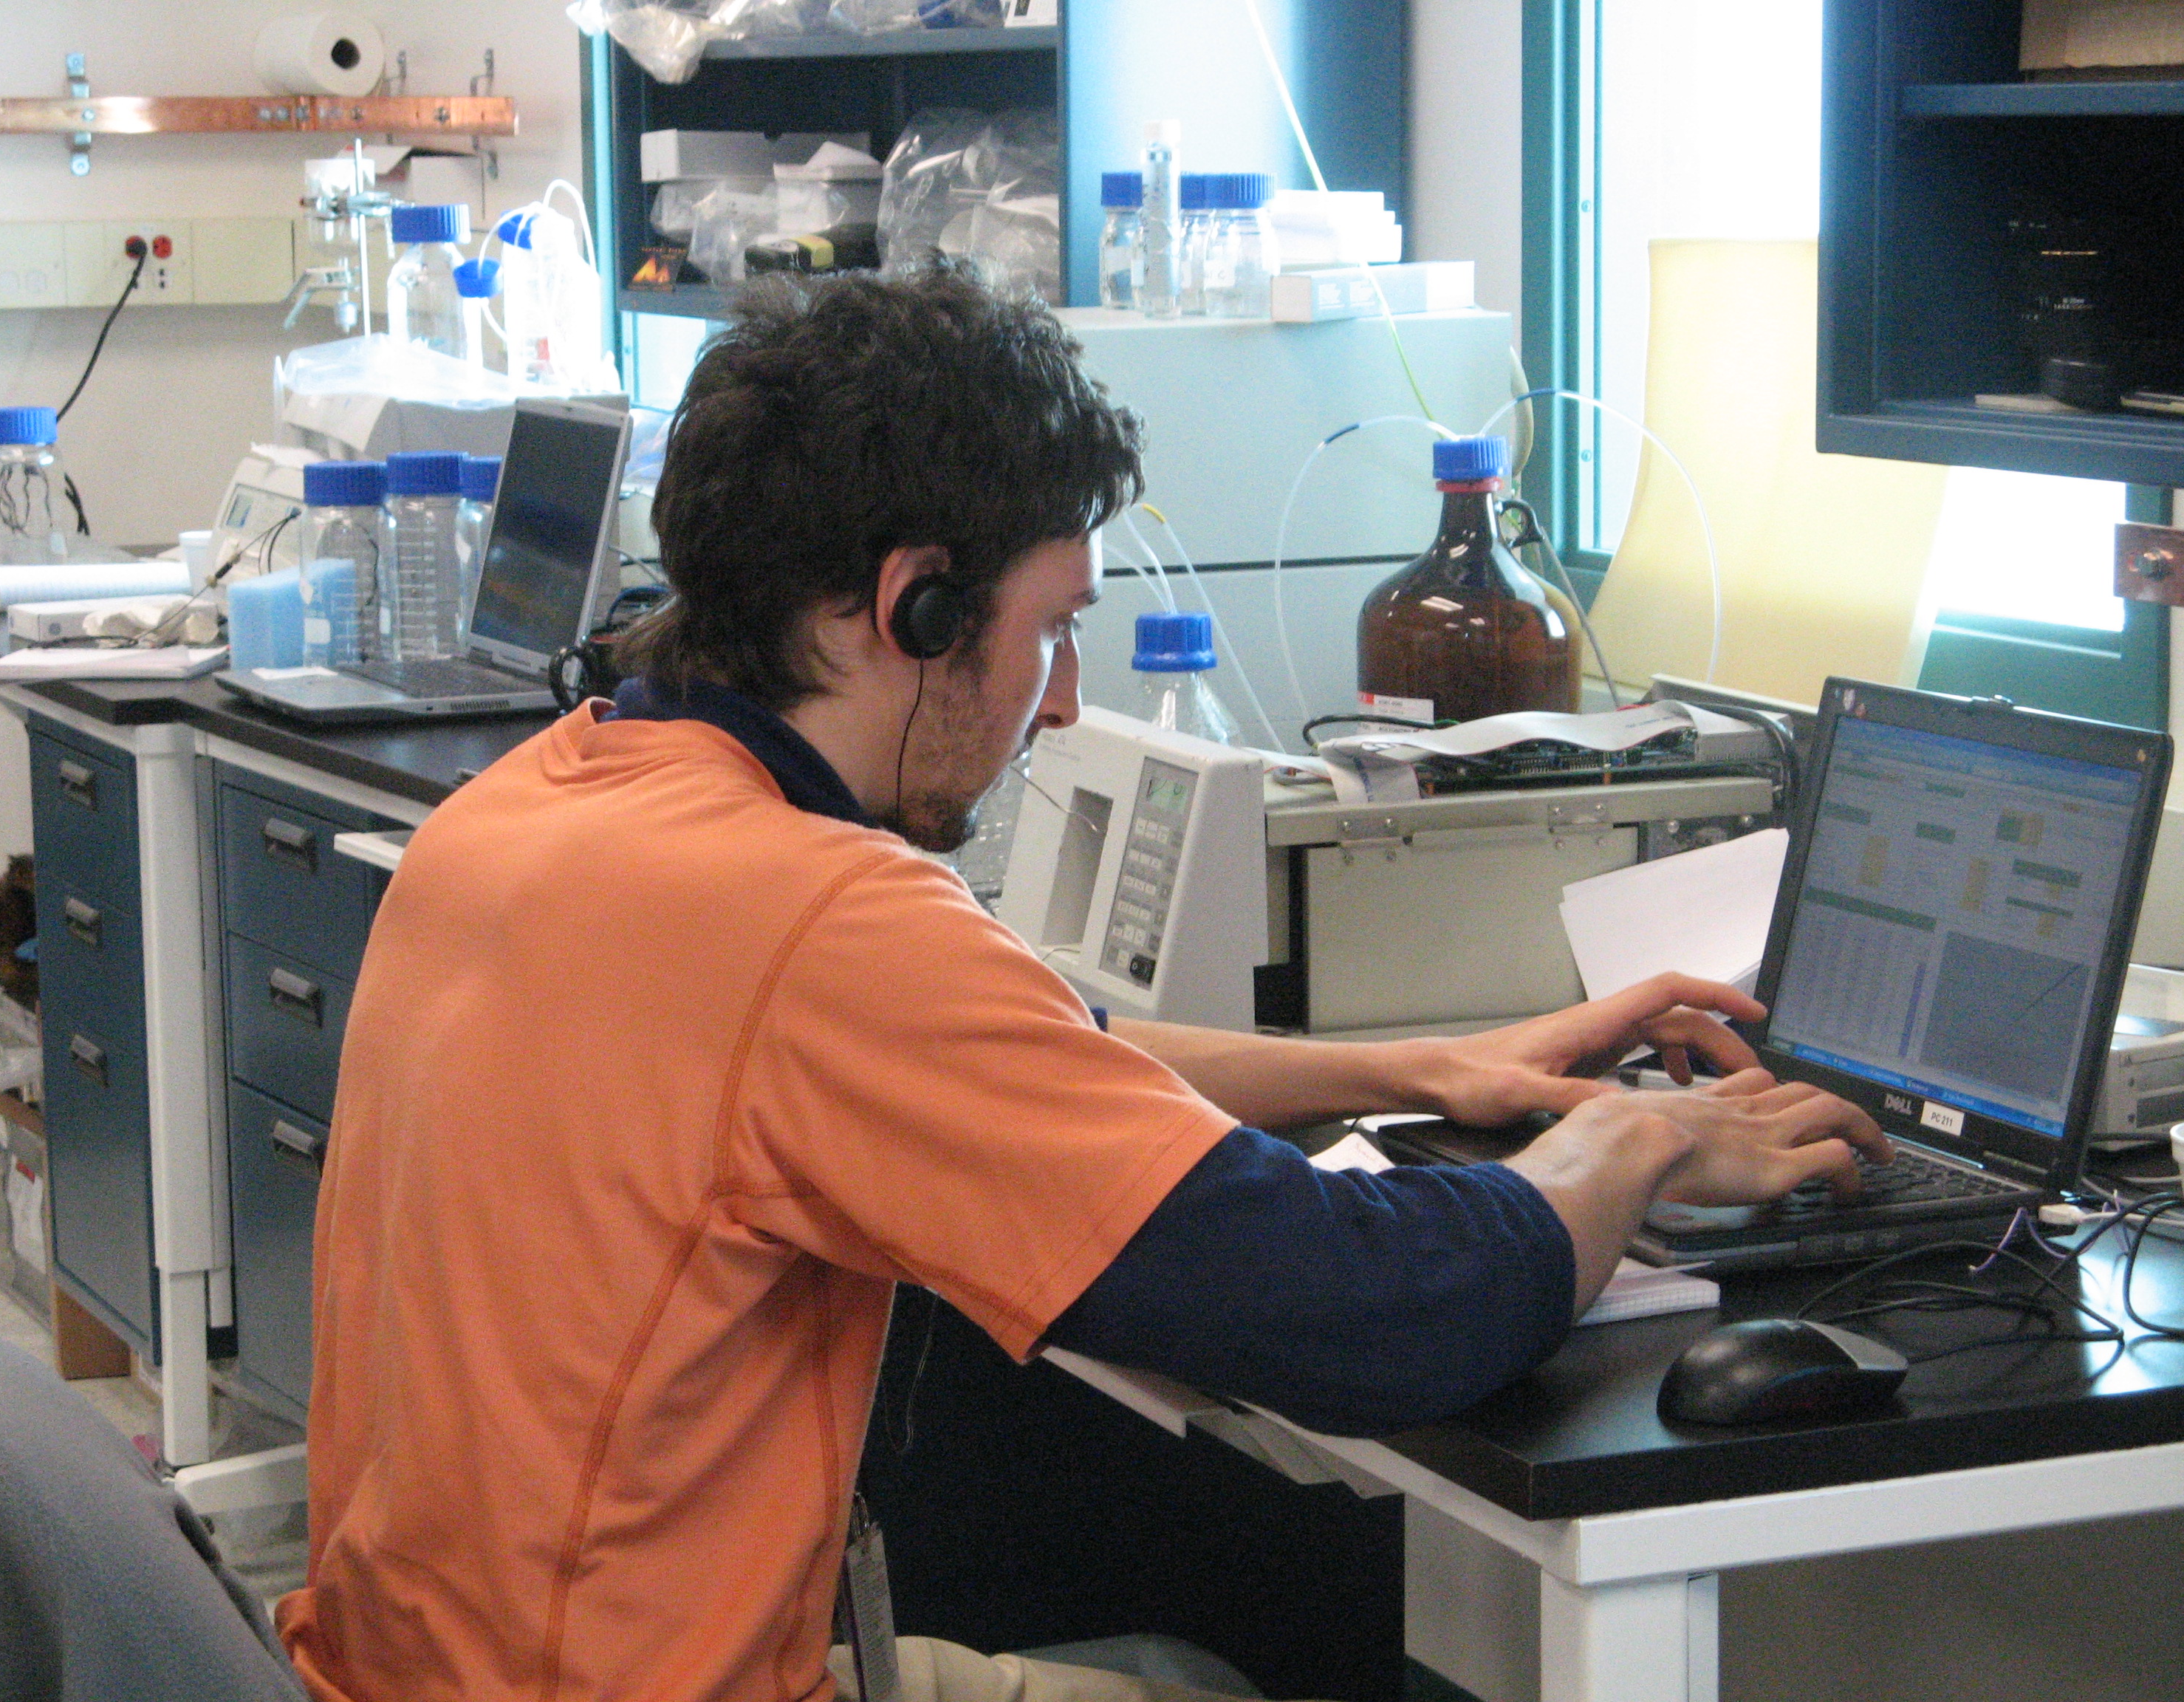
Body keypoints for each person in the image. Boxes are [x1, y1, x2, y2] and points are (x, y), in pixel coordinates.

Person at [270, 261, 1885, 1702]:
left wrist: (1428, 1066)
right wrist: (1634, 1139)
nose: (1058, 703)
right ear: (915, 604)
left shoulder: (541, 806)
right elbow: (1375, 1312)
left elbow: (1044, 1055)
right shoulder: (817, 922)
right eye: (1054, 627)